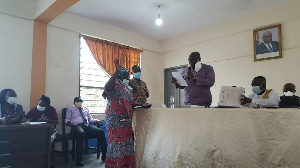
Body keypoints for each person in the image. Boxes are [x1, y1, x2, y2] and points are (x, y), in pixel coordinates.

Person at [103, 58, 135, 168]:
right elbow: (108, 88)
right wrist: (116, 72)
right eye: (126, 75)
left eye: (128, 75)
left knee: (127, 144)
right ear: (120, 75)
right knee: (118, 144)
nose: (128, 77)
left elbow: (130, 102)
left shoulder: (127, 87)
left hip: (126, 121)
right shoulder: (114, 83)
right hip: (115, 121)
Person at [65, 97, 107, 167]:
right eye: (77, 102)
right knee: (81, 133)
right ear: (74, 102)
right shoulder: (70, 109)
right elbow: (67, 119)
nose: (79, 103)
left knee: (101, 132)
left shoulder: (85, 108)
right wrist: (69, 123)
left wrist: (97, 121)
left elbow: (90, 119)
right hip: (76, 126)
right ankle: (79, 160)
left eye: (80, 102)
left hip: (86, 126)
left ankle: (104, 155)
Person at [22, 95, 59, 168]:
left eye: (42, 105)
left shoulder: (51, 109)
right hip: (38, 132)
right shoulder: (35, 109)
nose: (39, 106)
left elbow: (57, 121)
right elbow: (26, 118)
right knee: (31, 141)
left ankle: (49, 162)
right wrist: (22, 121)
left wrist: (47, 120)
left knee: (48, 142)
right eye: (39, 104)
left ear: (47, 105)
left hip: (51, 131)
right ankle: (36, 160)